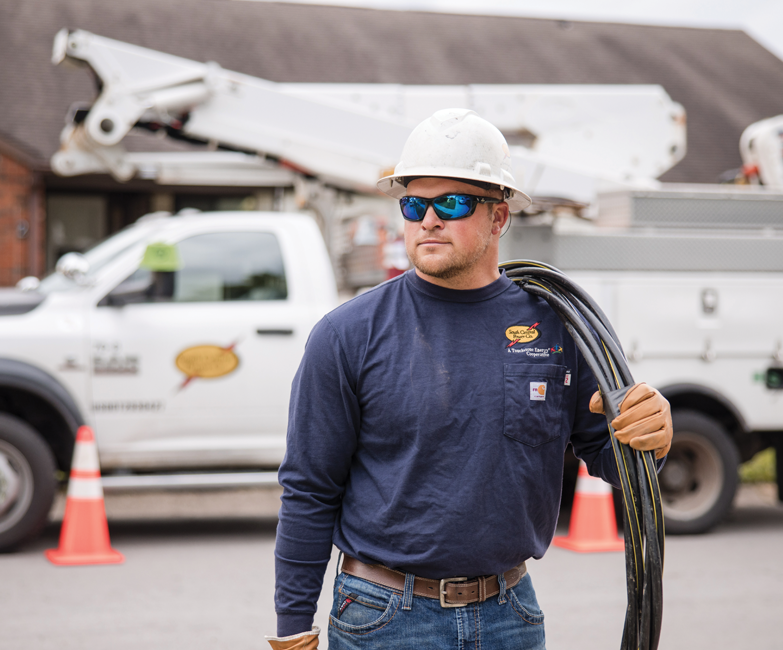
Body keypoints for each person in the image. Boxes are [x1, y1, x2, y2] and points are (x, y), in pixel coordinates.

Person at [265, 109, 672, 650]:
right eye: (414, 204)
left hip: (511, 614)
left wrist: (652, 435)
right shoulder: (347, 335)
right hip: (381, 616)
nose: (428, 219)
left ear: (499, 218)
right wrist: (293, 627)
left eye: (451, 203)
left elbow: (611, 455)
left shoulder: (555, 324)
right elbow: (309, 489)